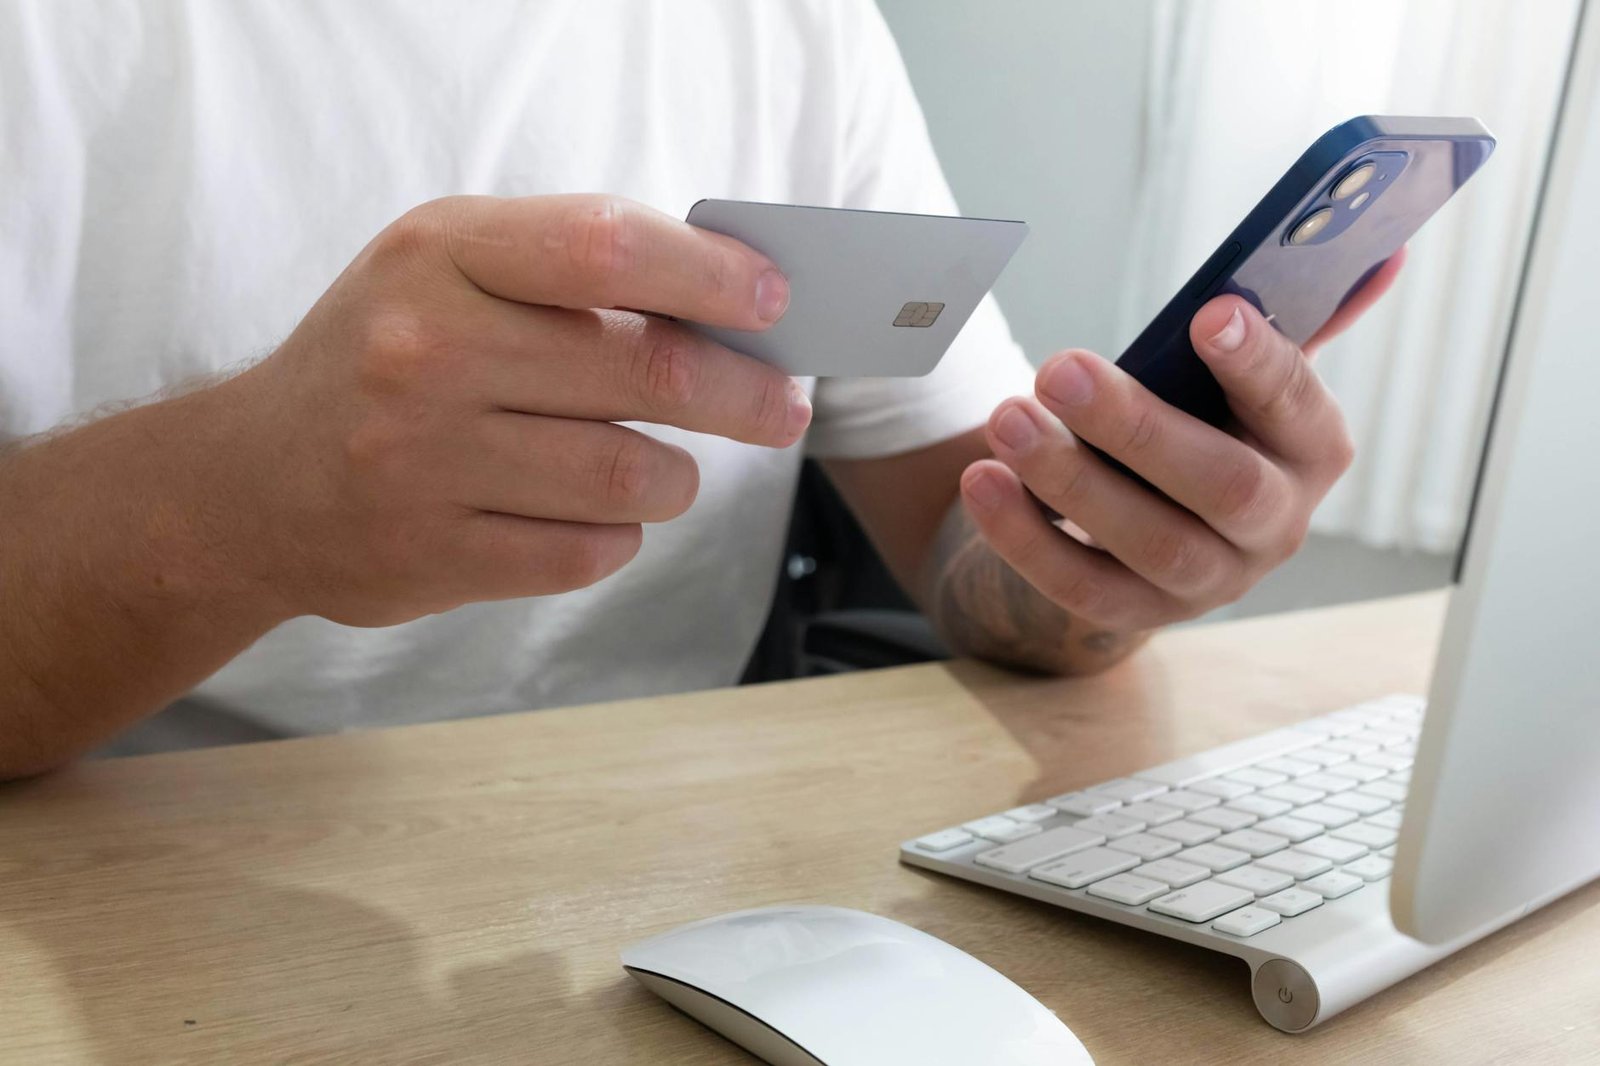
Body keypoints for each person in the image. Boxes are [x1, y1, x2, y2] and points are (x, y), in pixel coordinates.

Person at [0, 1, 1396, 778]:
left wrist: (1111, 552)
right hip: (126, 885)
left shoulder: (797, 31)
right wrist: (242, 502)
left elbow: (974, 552)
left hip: (684, 881)